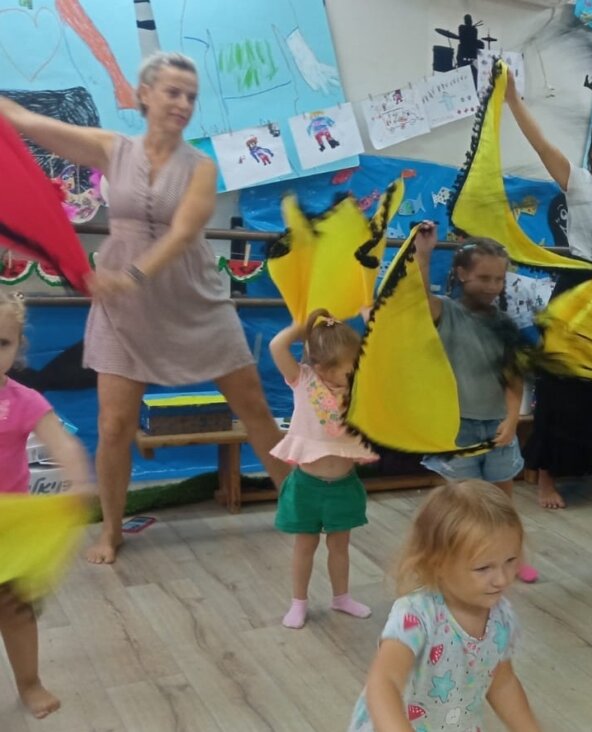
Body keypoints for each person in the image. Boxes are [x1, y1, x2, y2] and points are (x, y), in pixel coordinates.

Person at [0, 51, 288, 564]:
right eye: (173, 92)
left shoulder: (200, 168)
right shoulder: (114, 149)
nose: (182, 104)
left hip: (196, 303)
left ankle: (298, 506)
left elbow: (182, 234)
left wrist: (131, 277)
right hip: (124, 312)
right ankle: (112, 531)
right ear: (145, 95)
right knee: (114, 425)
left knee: (254, 408)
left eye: (191, 97)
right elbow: (26, 122)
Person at [504, 71, 592, 510]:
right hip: (577, 288)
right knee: (562, 382)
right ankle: (545, 475)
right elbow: (541, 144)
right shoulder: (580, 184)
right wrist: (512, 100)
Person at [348, 482, 541, 732]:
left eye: (511, 561)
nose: (502, 579)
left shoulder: (501, 617)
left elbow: (501, 682)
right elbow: (383, 682)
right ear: (437, 563)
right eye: (484, 568)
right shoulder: (417, 615)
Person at [412, 222, 538, 584]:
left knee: (503, 502)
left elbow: (513, 378)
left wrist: (513, 419)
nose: (493, 286)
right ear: (461, 274)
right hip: (458, 429)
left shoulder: (505, 324)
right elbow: (420, 299)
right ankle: (452, 560)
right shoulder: (446, 313)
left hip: (497, 425)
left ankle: (512, 558)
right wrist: (424, 254)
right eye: (484, 278)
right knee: (458, 505)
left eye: (499, 279)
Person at [0, 293, 90, 718]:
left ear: (18, 347)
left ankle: (30, 682)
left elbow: (62, 442)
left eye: (2, 344)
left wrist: (78, 479)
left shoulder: (24, 401)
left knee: (15, 612)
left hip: (10, 531)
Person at [268, 310, 377, 629]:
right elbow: (276, 347)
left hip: (344, 485)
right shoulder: (303, 379)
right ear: (321, 367)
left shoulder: (357, 385)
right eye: (346, 370)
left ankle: (341, 597)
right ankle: (298, 603)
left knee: (340, 545)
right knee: (305, 546)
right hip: (306, 486)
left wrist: (368, 316)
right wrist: (298, 327)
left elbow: (383, 356)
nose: (353, 373)